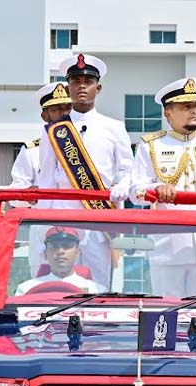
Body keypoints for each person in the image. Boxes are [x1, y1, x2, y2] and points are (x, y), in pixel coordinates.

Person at [129, 77, 196, 297]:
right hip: (168, 246)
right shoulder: (151, 146)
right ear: (168, 113)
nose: (195, 111)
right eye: (186, 106)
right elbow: (135, 191)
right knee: (167, 312)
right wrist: (156, 188)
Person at [36, 54, 134, 288]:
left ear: (98, 88)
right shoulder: (54, 130)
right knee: (61, 281)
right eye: (75, 81)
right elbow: (47, 180)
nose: (81, 86)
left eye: (87, 81)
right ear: (68, 87)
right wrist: (42, 224)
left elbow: (130, 170)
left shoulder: (114, 127)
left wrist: (122, 185)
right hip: (64, 215)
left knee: (98, 281)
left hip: (99, 216)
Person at [10, 82, 73, 194]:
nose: (64, 113)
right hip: (45, 210)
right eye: (56, 109)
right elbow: (15, 195)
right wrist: (30, 195)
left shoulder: (89, 144)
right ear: (44, 116)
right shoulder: (31, 152)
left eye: (69, 108)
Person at [15, 227, 104, 295]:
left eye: (66, 246)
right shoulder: (26, 290)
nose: (60, 251)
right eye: (54, 247)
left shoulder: (96, 291)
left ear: (77, 252)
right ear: (45, 254)